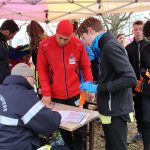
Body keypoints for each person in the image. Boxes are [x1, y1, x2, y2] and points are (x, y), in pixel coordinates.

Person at [78, 17, 137, 150]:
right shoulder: (105, 46)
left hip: (116, 110)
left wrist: (98, 88)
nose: (85, 42)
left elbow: (130, 78)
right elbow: (113, 75)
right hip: (110, 108)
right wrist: (97, 82)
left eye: (83, 37)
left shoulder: (110, 46)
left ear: (90, 30)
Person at [37, 19, 93, 150]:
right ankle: (69, 146)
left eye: (66, 39)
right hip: (56, 95)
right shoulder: (45, 45)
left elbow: (86, 67)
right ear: (56, 33)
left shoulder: (78, 44)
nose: (62, 41)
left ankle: (78, 147)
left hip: (76, 94)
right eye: (60, 38)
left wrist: (89, 85)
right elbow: (42, 70)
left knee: (80, 129)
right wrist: (46, 93)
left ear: (72, 35)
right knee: (63, 127)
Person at [0, 63, 70, 150]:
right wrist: (56, 114)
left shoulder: (2, 89)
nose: (33, 84)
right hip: (20, 145)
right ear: (26, 77)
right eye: (33, 80)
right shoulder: (23, 95)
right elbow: (49, 123)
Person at [126, 20, 149, 143]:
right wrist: (133, 81)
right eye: (136, 29)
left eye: (140, 29)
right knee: (138, 109)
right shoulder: (128, 48)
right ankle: (140, 131)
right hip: (134, 85)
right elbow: (126, 67)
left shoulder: (148, 45)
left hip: (147, 84)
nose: (138, 31)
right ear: (132, 30)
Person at [27, 20, 48, 95]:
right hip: (45, 78)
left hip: (43, 79)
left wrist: (40, 85)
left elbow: (41, 66)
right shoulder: (46, 42)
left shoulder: (39, 46)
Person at [140, 20, 150, 150]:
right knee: (147, 120)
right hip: (147, 91)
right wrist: (147, 73)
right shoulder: (145, 49)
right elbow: (141, 68)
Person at [0, 19, 19, 84]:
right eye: (13, 35)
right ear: (7, 32)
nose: (12, 37)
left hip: (4, 79)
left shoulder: (3, 42)